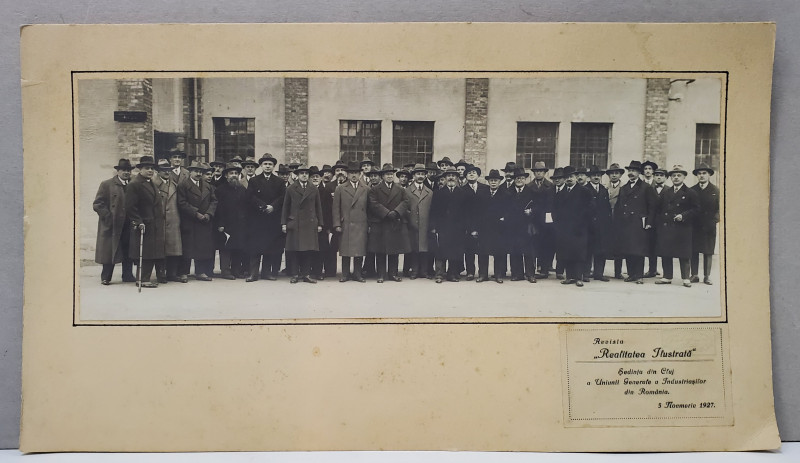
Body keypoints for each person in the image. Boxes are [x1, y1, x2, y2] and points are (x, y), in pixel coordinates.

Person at [654, 165, 700, 287]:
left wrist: (683, 216)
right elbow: (659, 209)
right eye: (673, 175)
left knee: (684, 253)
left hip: (682, 227)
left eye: (679, 175)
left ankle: (685, 278)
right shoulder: (666, 192)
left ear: (684, 177)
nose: (676, 177)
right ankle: (667, 276)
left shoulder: (691, 193)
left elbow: (696, 210)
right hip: (667, 227)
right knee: (666, 252)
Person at [613, 160, 658, 284]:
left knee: (638, 250)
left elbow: (652, 207)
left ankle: (639, 275)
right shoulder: (624, 188)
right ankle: (631, 274)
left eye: (634, 171)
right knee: (627, 249)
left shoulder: (646, 187)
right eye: (630, 171)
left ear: (639, 173)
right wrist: (617, 222)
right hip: (625, 223)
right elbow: (618, 206)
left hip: (639, 223)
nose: (631, 173)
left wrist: (649, 222)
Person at [92, 158, 136, 285]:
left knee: (128, 250)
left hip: (128, 224)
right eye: (123, 170)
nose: (126, 172)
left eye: (128, 170)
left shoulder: (133, 185)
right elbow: (97, 204)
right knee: (109, 251)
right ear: (118, 171)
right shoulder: (107, 184)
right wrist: (107, 216)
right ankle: (106, 277)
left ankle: (127, 275)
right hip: (113, 224)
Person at [125, 156, 166, 288]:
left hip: (155, 224)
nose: (150, 170)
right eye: (147, 168)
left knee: (152, 252)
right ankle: (142, 279)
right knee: (145, 253)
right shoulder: (135, 184)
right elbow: (130, 206)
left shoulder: (151, 183)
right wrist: (138, 221)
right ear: (140, 169)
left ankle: (144, 278)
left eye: (152, 168)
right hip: (144, 224)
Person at [245, 154, 286, 282]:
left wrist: (273, 206)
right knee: (255, 247)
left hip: (272, 218)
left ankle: (266, 273)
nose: (267, 166)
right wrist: (263, 206)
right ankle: (253, 273)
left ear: (273, 166)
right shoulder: (254, 181)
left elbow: (282, 197)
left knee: (270, 247)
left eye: (270, 164)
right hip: (257, 219)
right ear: (261, 166)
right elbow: (250, 197)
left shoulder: (279, 181)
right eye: (265, 164)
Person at [367, 163, 411, 283]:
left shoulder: (400, 189)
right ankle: (381, 274)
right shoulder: (374, 189)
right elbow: (373, 204)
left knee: (394, 250)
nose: (390, 176)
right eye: (387, 174)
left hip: (395, 222)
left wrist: (396, 212)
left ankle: (393, 274)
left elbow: (406, 202)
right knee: (380, 251)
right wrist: (387, 213)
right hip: (380, 222)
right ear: (382, 176)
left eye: (391, 174)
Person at [177, 161, 218, 281]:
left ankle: (200, 272)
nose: (199, 173)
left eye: (201, 171)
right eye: (196, 171)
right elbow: (182, 203)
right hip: (190, 221)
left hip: (204, 221)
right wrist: (196, 213)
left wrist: (209, 214)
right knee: (187, 248)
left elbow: (214, 201)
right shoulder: (183, 185)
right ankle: (183, 272)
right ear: (190, 172)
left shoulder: (208, 186)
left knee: (202, 247)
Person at [282, 165, 323, 284]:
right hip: (295, 222)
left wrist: (320, 223)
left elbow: (318, 207)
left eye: (306, 173)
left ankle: (306, 274)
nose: (304, 175)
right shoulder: (290, 188)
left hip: (309, 223)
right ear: (298, 175)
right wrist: (284, 223)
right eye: (301, 173)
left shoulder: (314, 189)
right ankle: (295, 274)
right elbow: (285, 207)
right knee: (294, 250)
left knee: (307, 250)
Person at [429, 167, 468, 283]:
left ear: (457, 178)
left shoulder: (462, 193)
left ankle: (452, 274)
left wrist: (464, 227)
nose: (451, 177)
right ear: (445, 178)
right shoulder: (438, 193)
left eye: (453, 175)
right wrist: (433, 227)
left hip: (457, 228)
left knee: (455, 251)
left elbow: (466, 213)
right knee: (441, 250)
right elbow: (433, 211)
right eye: (448, 176)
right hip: (443, 227)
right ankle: (440, 274)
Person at [333, 162, 369, 282]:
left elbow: (369, 209)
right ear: (347, 175)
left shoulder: (366, 188)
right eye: (351, 173)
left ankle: (358, 274)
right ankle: (345, 274)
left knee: (359, 250)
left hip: (361, 223)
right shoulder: (340, 188)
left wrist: (369, 225)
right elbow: (336, 208)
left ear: (360, 174)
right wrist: (337, 224)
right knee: (346, 250)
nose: (354, 175)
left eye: (356, 173)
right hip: (346, 223)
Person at [214, 163, 249, 279]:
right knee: (225, 248)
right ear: (226, 176)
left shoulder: (242, 189)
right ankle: (225, 271)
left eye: (236, 173)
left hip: (240, 224)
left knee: (238, 247)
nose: (234, 176)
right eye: (231, 173)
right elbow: (218, 209)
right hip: (226, 223)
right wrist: (220, 224)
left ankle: (236, 270)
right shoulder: (220, 190)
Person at [152, 159, 183, 283]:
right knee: (160, 250)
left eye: (168, 170)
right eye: (163, 170)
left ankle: (172, 274)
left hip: (174, 221)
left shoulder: (174, 185)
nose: (166, 173)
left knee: (173, 249)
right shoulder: (154, 184)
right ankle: (161, 274)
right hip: (160, 221)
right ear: (158, 172)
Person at [690, 163, 720, 285]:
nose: (702, 176)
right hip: (695, 225)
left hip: (709, 226)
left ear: (709, 175)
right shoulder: (692, 190)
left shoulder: (716, 191)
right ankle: (694, 275)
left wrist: (714, 219)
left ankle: (707, 276)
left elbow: (721, 208)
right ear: (697, 176)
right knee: (694, 251)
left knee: (708, 251)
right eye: (699, 173)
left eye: (704, 173)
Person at [506, 167, 537, 282]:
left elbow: (538, 208)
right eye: (517, 178)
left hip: (526, 226)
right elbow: (505, 209)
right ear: (514, 179)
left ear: (525, 179)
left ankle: (530, 274)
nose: (519, 180)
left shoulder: (531, 192)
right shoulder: (508, 192)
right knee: (514, 250)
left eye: (522, 178)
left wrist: (531, 212)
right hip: (513, 226)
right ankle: (517, 274)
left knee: (528, 251)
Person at [479, 169, 510, 283]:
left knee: (499, 252)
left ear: (499, 182)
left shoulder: (505, 195)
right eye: (491, 180)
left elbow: (509, 211)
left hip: (499, 228)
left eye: (495, 181)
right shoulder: (482, 194)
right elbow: (478, 212)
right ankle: (483, 275)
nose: (493, 183)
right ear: (488, 181)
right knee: (483, 251)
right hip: (485, 227)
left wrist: (504, 218)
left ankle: (498, 275)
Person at [405, 164, 433, 279]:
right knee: (414, 248)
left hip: (425, 224)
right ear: (414, 175)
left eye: (422, 174)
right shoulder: (407, 191)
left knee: (424, 248)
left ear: (425, 176)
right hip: (413, 224)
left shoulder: (429, 192)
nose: (420, 176)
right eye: (418, 174)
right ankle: (414, 270)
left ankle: (424, 271)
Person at [461, 164, 489, 281]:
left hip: (483, 225)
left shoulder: (485, 188)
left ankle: (483, 273)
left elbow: (488, 209)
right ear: (466, 176)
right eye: (469, 173)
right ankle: (470, 272)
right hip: (468, 226)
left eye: (474, 172)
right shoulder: (462, 190)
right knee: (469, 250)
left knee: (483, 250)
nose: (471, 174)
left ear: (478, 175)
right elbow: (462, 212)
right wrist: (471, 228)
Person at [586, 165, 613, 281]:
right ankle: (586, 273)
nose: (596, 177)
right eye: (594, 175)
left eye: (598, 175)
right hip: (588, 225)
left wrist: (607, 224)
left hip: (602, 226)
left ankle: (599, 273)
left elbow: (607, 209)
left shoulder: (604, 190)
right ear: (590, 177)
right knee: (588, 250)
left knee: (601, 250)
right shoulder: (585, 189)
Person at [528, 161, 555, 278]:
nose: (538, 173)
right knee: (533, 245)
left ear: (544, 173)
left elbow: (552, 204)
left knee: (546, 245)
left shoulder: (550, 186)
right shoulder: (529, 186)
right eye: (536, 171)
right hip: (533, 220)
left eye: (541, 171)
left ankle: (544, 269)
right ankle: (532, 269)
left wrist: (549, 219)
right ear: (534, 173)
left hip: (546, 220)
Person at [605, 162, 626, 279]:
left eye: (616, 173)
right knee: (604, 245)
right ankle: (599, 271)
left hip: (619, 220)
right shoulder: (604, 187)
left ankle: (618, 272)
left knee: (619, 246)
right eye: (612, 173)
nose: (614, 175)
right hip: (607, 220)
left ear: (620, 175)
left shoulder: (624, 188)